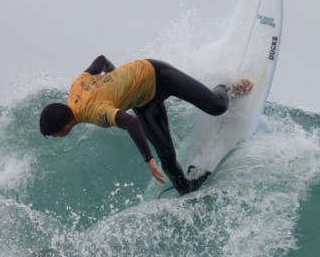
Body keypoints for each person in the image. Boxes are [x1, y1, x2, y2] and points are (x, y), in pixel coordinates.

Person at [39, 55, 252, 194]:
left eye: (56, 134)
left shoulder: (94, 112)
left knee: (217, 107)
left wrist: (148, 159)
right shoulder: (76, 87)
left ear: (65, 129)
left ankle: (226, 87)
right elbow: (101, 61)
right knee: (168, 159)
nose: (58, 137)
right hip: (142, 100)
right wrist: (115, 76)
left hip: (156, 74)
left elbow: (130, 122)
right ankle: (189, 191)